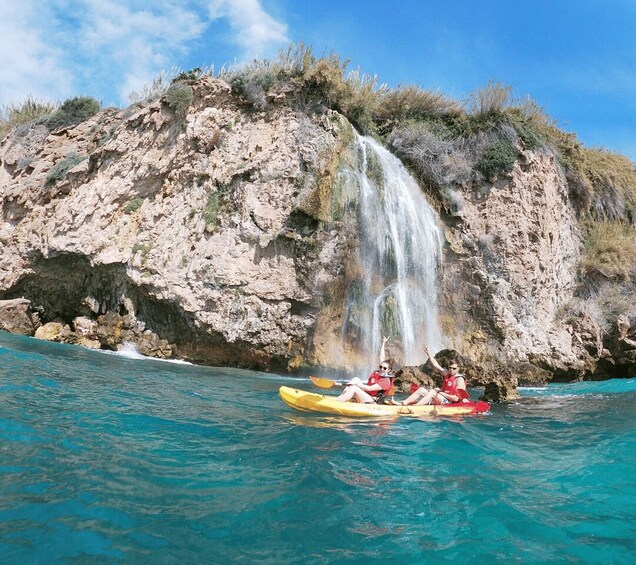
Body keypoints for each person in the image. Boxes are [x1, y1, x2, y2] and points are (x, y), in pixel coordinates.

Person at [396, 345, 468, 406]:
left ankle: (416, 407)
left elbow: (456, 398)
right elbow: (436, 365)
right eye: (450, 368)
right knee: (421, 390)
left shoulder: (459, 380)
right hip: (442, 398)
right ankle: (403, 403)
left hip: (450, 402)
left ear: (458, 369)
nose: (451, 370)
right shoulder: (447, 373)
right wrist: (428, 353)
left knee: (433, 391)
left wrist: (441, 393)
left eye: (454, 368)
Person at [336, 336, 394, 403]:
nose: (382, 369)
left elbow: (369, 388)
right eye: (380, 367)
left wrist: (356, 385)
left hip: (373, 401)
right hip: (367, 395)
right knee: (356, 379)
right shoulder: (378, 373)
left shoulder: (386, 381)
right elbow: (381, 357)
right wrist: (383, 343)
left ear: (389, 370)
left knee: (354, 388)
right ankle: (340, 399)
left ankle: (338, 402)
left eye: (384, 368)